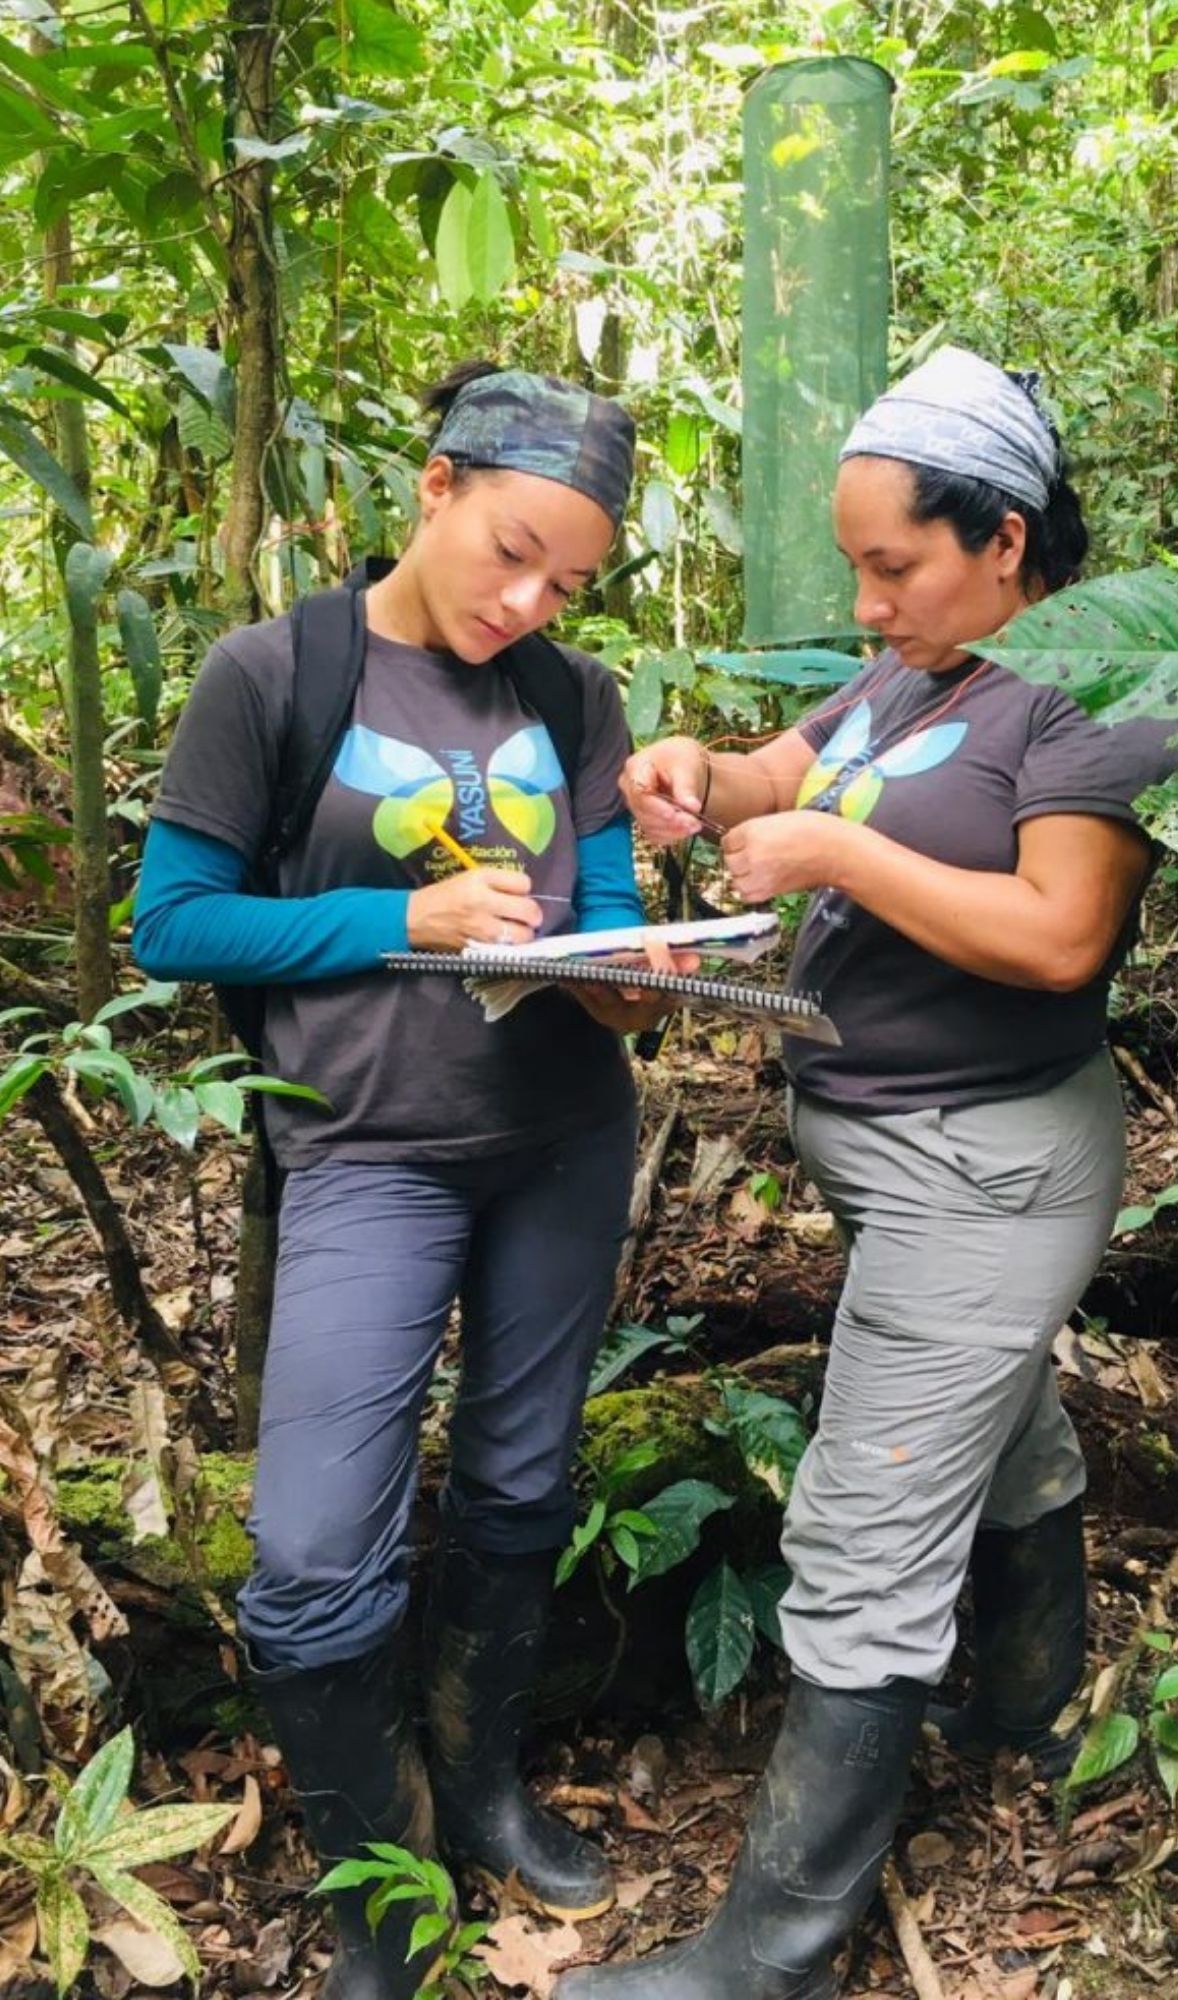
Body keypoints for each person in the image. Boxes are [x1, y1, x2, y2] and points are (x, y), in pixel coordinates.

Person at [559, 346, 1178, 1999]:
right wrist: (706, 773)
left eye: (892, 563)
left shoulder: (1093, 688)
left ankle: (767, 1949)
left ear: (1003, 538)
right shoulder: (914, 677)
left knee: (864, 1526)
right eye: (856, 565)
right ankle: (1026, 1713)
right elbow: (793, 768)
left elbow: (1062, 937)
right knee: (1000, 1433)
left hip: (984, 1168)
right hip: (904, 1162)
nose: (870, 596)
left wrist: (838, 851)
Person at [134, 364, 680, 1998]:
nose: (528, 602)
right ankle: (377, 1881)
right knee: (308, 1556)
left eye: (567, 582)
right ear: (433, 488)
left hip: (561, 1144)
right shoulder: (276, 671)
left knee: (521, 1486)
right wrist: (403, 923)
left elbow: (601, 904)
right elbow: (175, 920)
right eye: (511, 551)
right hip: (366, 1151)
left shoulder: (576, 700)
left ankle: (485, 1787)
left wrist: (633, 972)